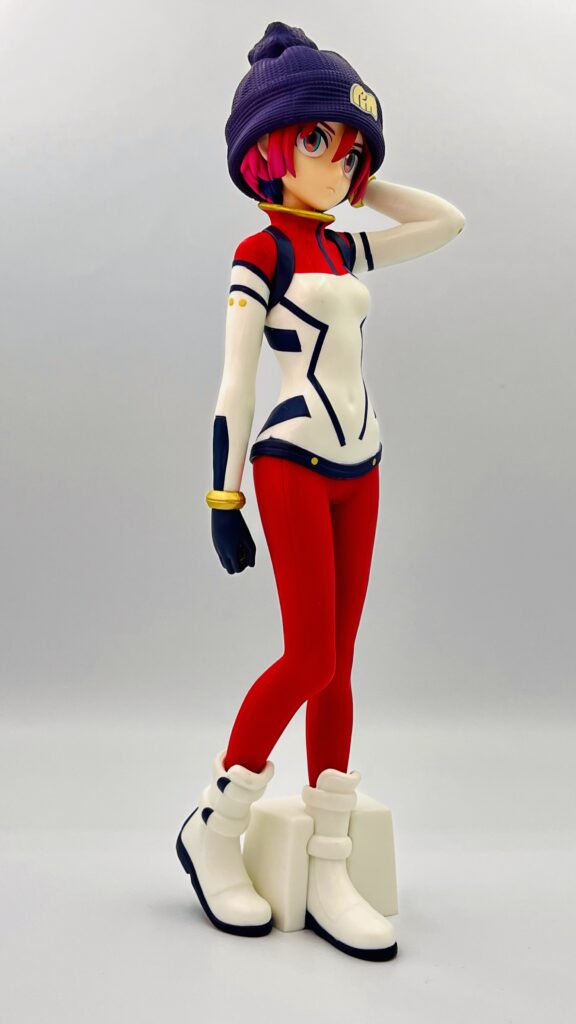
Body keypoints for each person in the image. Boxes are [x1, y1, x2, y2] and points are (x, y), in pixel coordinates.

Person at [176, 21, 465, 961]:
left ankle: (330, 865)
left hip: (362, 464)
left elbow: (445, 224)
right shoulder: (260, 255)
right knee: (306, 656)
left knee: (339, 664)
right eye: (315, 140)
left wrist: (362, 177)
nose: (337, 162)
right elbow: (234, 383)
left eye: (350, 149)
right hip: (292, 461)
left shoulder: (344, 250)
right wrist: (223, 500)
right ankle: (214, 829)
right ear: (266, 147)